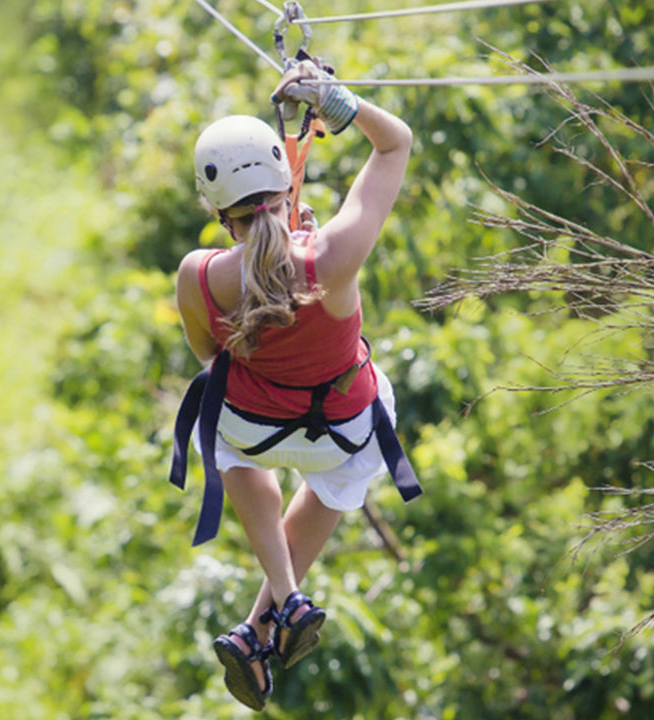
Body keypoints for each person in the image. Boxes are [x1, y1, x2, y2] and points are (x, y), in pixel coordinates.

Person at [170, 60, 417, 710]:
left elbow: (209, 354)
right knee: (341, 469)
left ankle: (277, 607)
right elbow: (396, 144)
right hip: (344, 429)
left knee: (217, 426)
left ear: (219, 212)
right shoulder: (332, 256)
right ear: (287, 184)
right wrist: (339, 103)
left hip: (254, 427)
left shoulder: (198, 275)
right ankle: (273, 612)